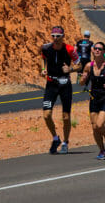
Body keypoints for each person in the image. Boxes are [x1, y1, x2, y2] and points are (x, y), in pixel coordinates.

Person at [41, 26, 80, 154]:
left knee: (66, 117)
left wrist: (70, 70)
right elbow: (43, 59)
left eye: (58, 36)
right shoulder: (46, 48)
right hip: (51, 84)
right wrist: (43, 69)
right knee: (46, 115)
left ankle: (65, 142)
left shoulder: (69, 49)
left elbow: (79, 65)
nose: (55, 38)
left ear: (63, 36)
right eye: (53, 36)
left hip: (65, 84)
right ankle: (55, 138)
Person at [80, 41, 105, 159]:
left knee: (99, 124)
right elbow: (82, 83)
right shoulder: (88, 66)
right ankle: (102, 150)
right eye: (95, 48)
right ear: (92, 50)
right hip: (93, 99)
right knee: (94, 127)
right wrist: (83, 79)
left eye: (100, 49)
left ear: (104, 51)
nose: (97, 50)